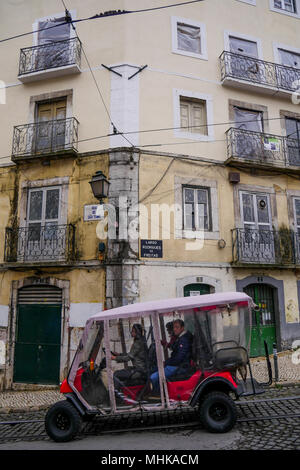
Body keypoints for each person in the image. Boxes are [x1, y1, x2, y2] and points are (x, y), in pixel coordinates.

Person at [150, 319, 193, 394]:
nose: (174, 329)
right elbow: (173, 348)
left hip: (180, 366)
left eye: (177, 327)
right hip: (177, 365)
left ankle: (158, 396)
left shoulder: (183, 340)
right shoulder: (180, 338)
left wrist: (166, 363)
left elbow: (178, 359)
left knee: (153, 377)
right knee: (154, 369)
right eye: (174, 327)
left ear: (182, 328)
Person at [112, 324, 148, 390]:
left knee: (116, 374)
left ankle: (117, 395)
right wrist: (119, 354)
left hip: (139, 371)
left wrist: (115, 358)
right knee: (123, 371)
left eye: (133, 331)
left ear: (137, 333)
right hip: (140, 369)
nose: (131, 332)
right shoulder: (141, 341)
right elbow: (131, 354)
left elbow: (128, 358)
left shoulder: (137, 343)